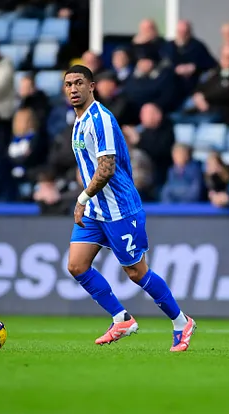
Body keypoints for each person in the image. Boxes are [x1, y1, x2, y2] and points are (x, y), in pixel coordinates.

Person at [63, 65, 196, 351]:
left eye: (79, 83)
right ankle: (121, 318)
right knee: (76, 265)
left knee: (136, 272)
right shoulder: (79, 121)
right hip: (96, 208)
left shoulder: (100, 119)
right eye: (68, 84)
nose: (73, 89)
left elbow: (107, 168)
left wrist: (82, 198)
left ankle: (181, 321)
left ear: (92, 86)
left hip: (120, 208)